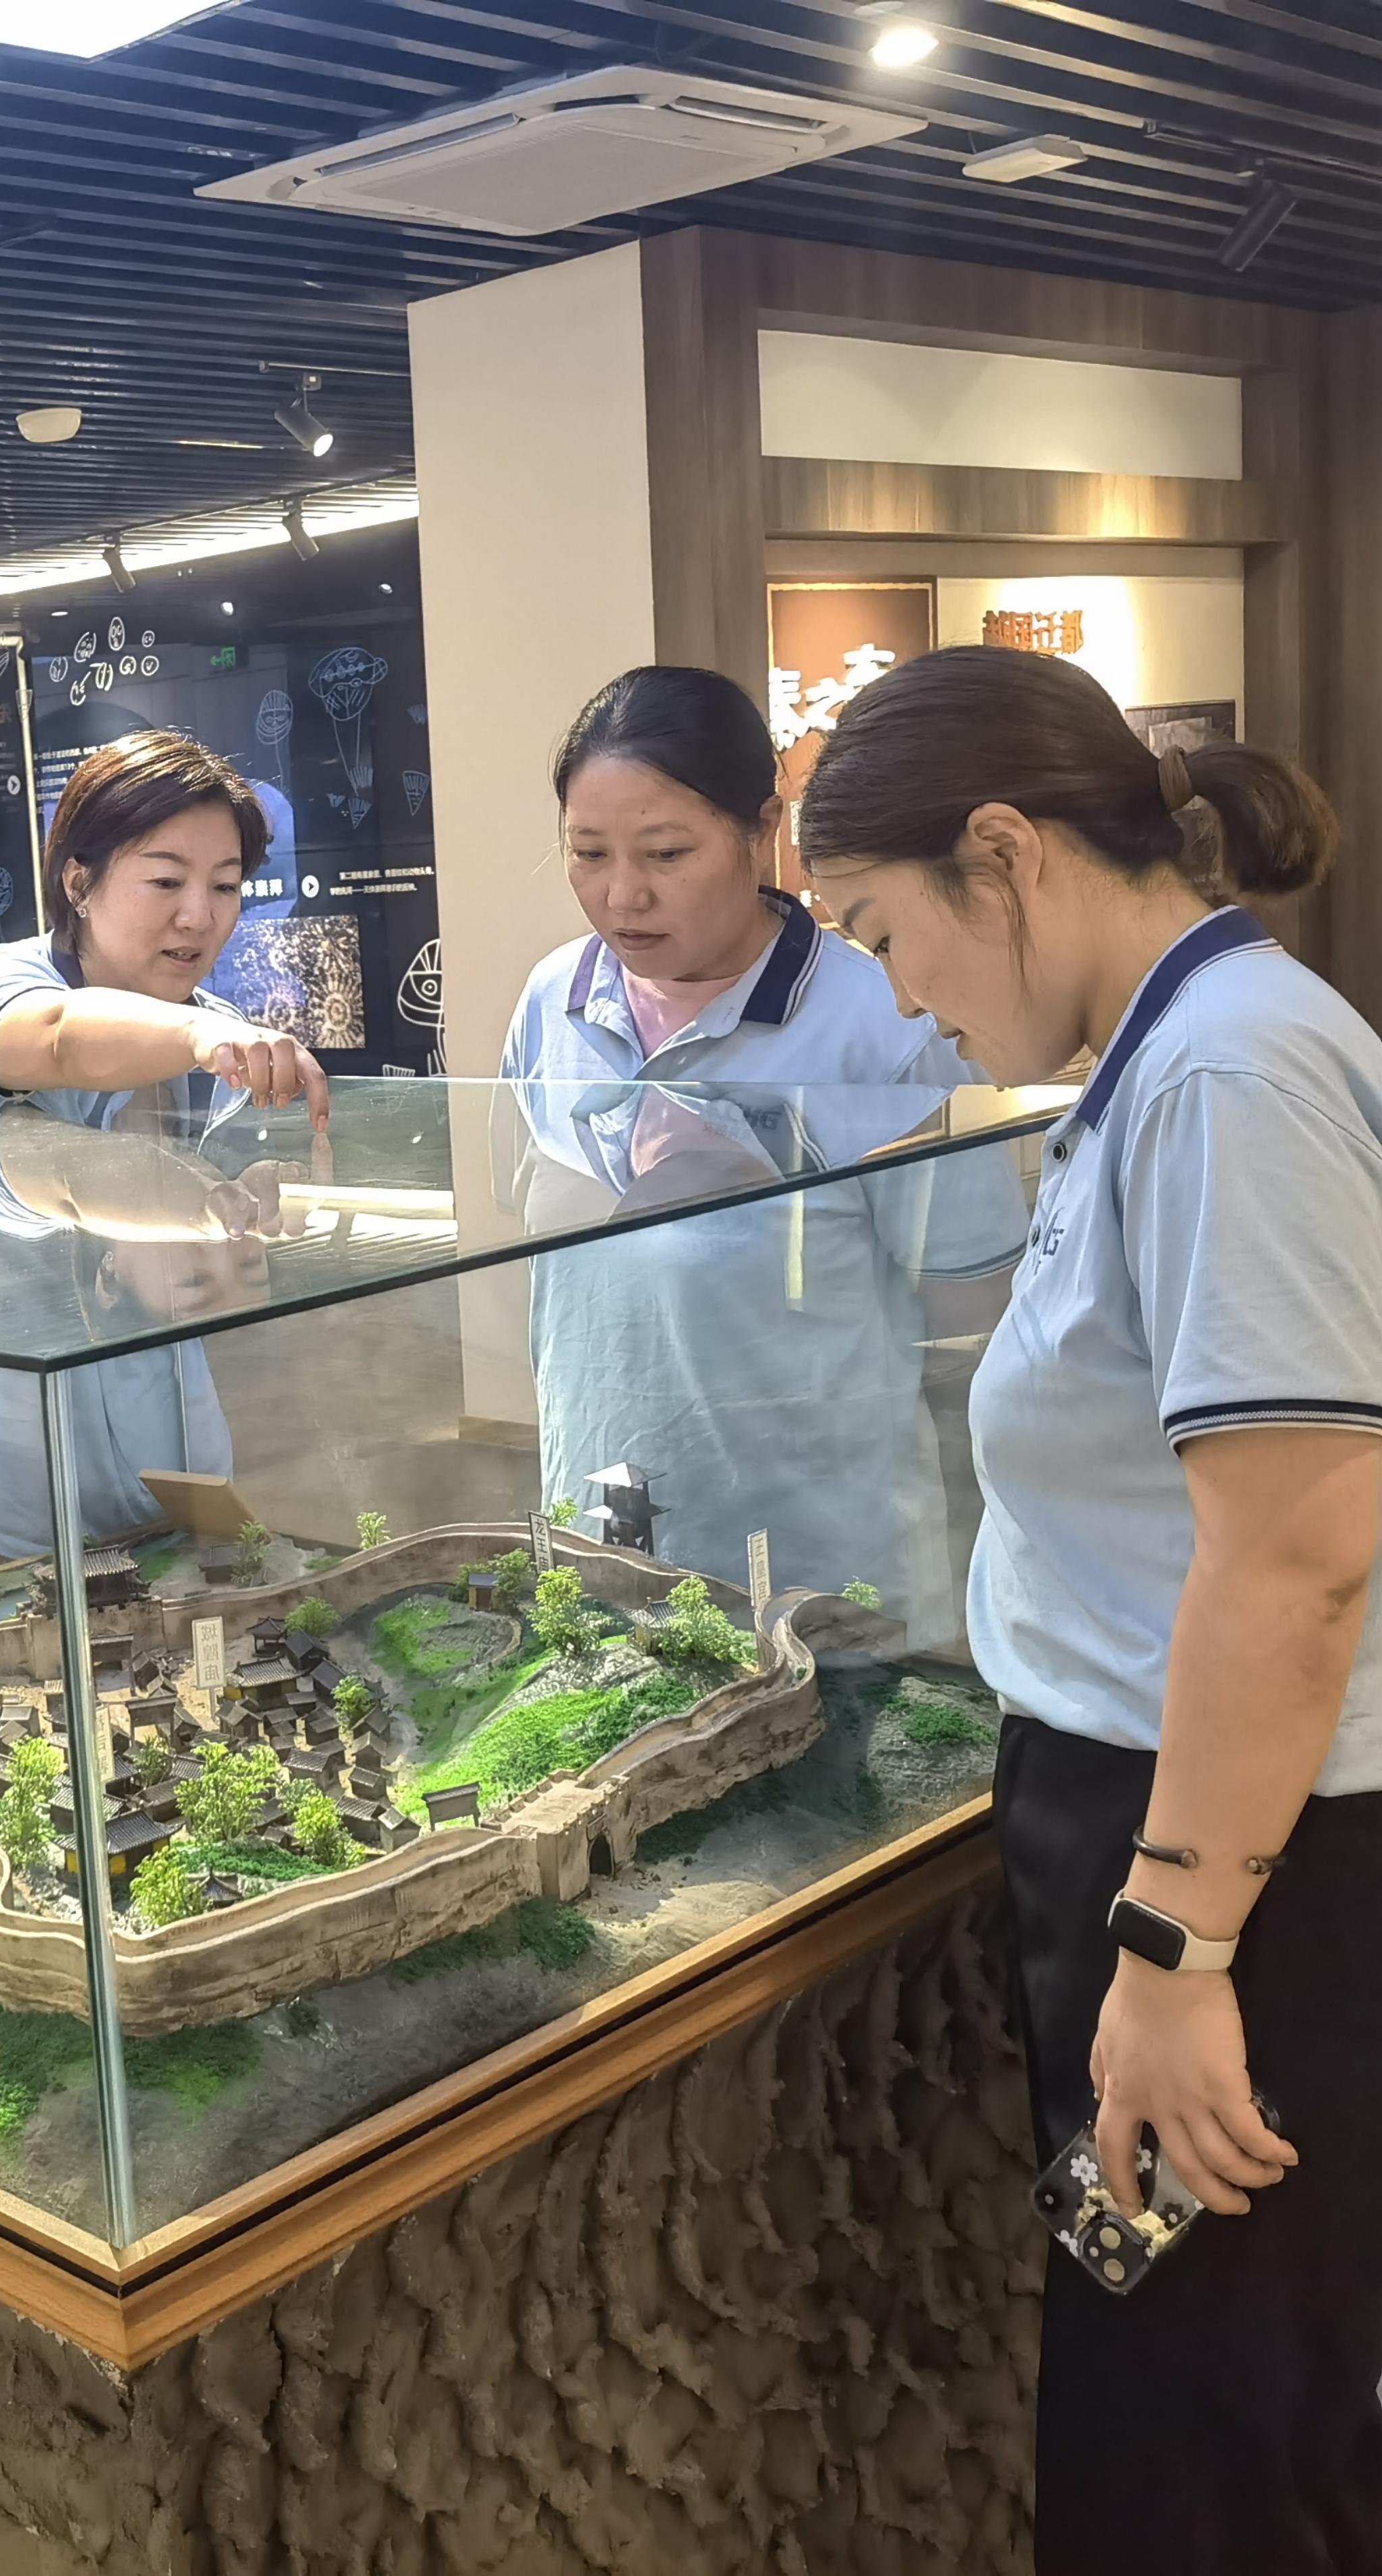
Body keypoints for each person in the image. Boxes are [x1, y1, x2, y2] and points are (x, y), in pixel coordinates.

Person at [798, 645, 1382, 2575]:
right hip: (1176, 1818)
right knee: (1184, 2381)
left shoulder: (1229, 1074)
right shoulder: (1171, 1054)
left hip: (1239, 1855)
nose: (901, 993)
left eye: (880, 929)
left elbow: (1293, 1554)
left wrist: (1178, 1950)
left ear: (1002, 854)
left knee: (1212, 2429)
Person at [498, 666, 1022, 1638]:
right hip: (600, 1534)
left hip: (819, 1566)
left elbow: (972, 1322)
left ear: (761, 828)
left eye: (666, 853)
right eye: (587, 853)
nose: (622, 894)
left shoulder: (882, 1023)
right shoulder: (551, 1002)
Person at [0, 731, 324, 1572]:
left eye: (225, 885)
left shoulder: (210, 1032)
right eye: (165, 880)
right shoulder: (3, 985)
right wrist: (200, 1035)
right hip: (3, 1497)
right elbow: (59, 1036)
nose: (198, 915)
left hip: (171, 1485)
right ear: (77, 881)